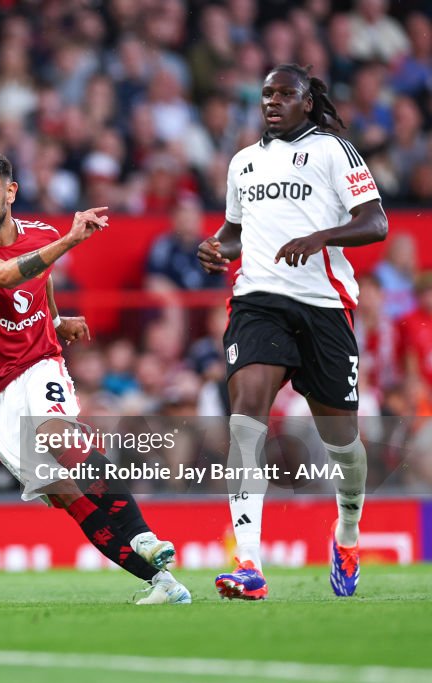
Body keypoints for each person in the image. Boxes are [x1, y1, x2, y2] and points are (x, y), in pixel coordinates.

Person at [0, 149, 191, 605]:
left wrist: (54, 322)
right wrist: (71, 240)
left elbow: (42, 274)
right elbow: (1, 276)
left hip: (39, 363)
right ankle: (163, 584)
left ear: (10, 193)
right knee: (67, 496)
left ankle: (144, 537)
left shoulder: (39, 234)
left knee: (61, 438)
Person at [198, 64, 388, 600]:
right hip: (259, 303)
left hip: (324, 308)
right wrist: (217, 247)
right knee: (245, 418)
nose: (273, 102)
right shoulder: (243, 163)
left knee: (343, 447)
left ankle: (347, 532)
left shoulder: (333, 149)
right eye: (266, 94)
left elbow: (376, 223)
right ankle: (249, 562)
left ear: (308, 101)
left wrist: (319, 236)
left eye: (286, 93)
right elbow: (236, 233)